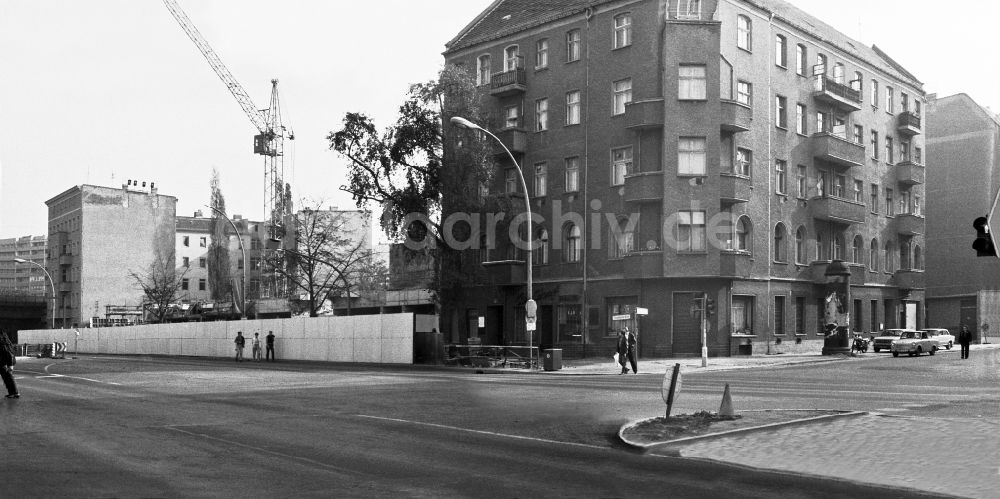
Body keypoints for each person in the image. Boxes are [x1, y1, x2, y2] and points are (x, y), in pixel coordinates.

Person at [1, 331, 19, 399]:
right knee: (7, 377)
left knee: (8, 377)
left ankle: (14, 392)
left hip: (5, 362)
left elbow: (9, 354)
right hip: (4, 362)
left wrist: (10, 365)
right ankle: (13, 393)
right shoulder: (6, 342)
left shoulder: (3, 344)